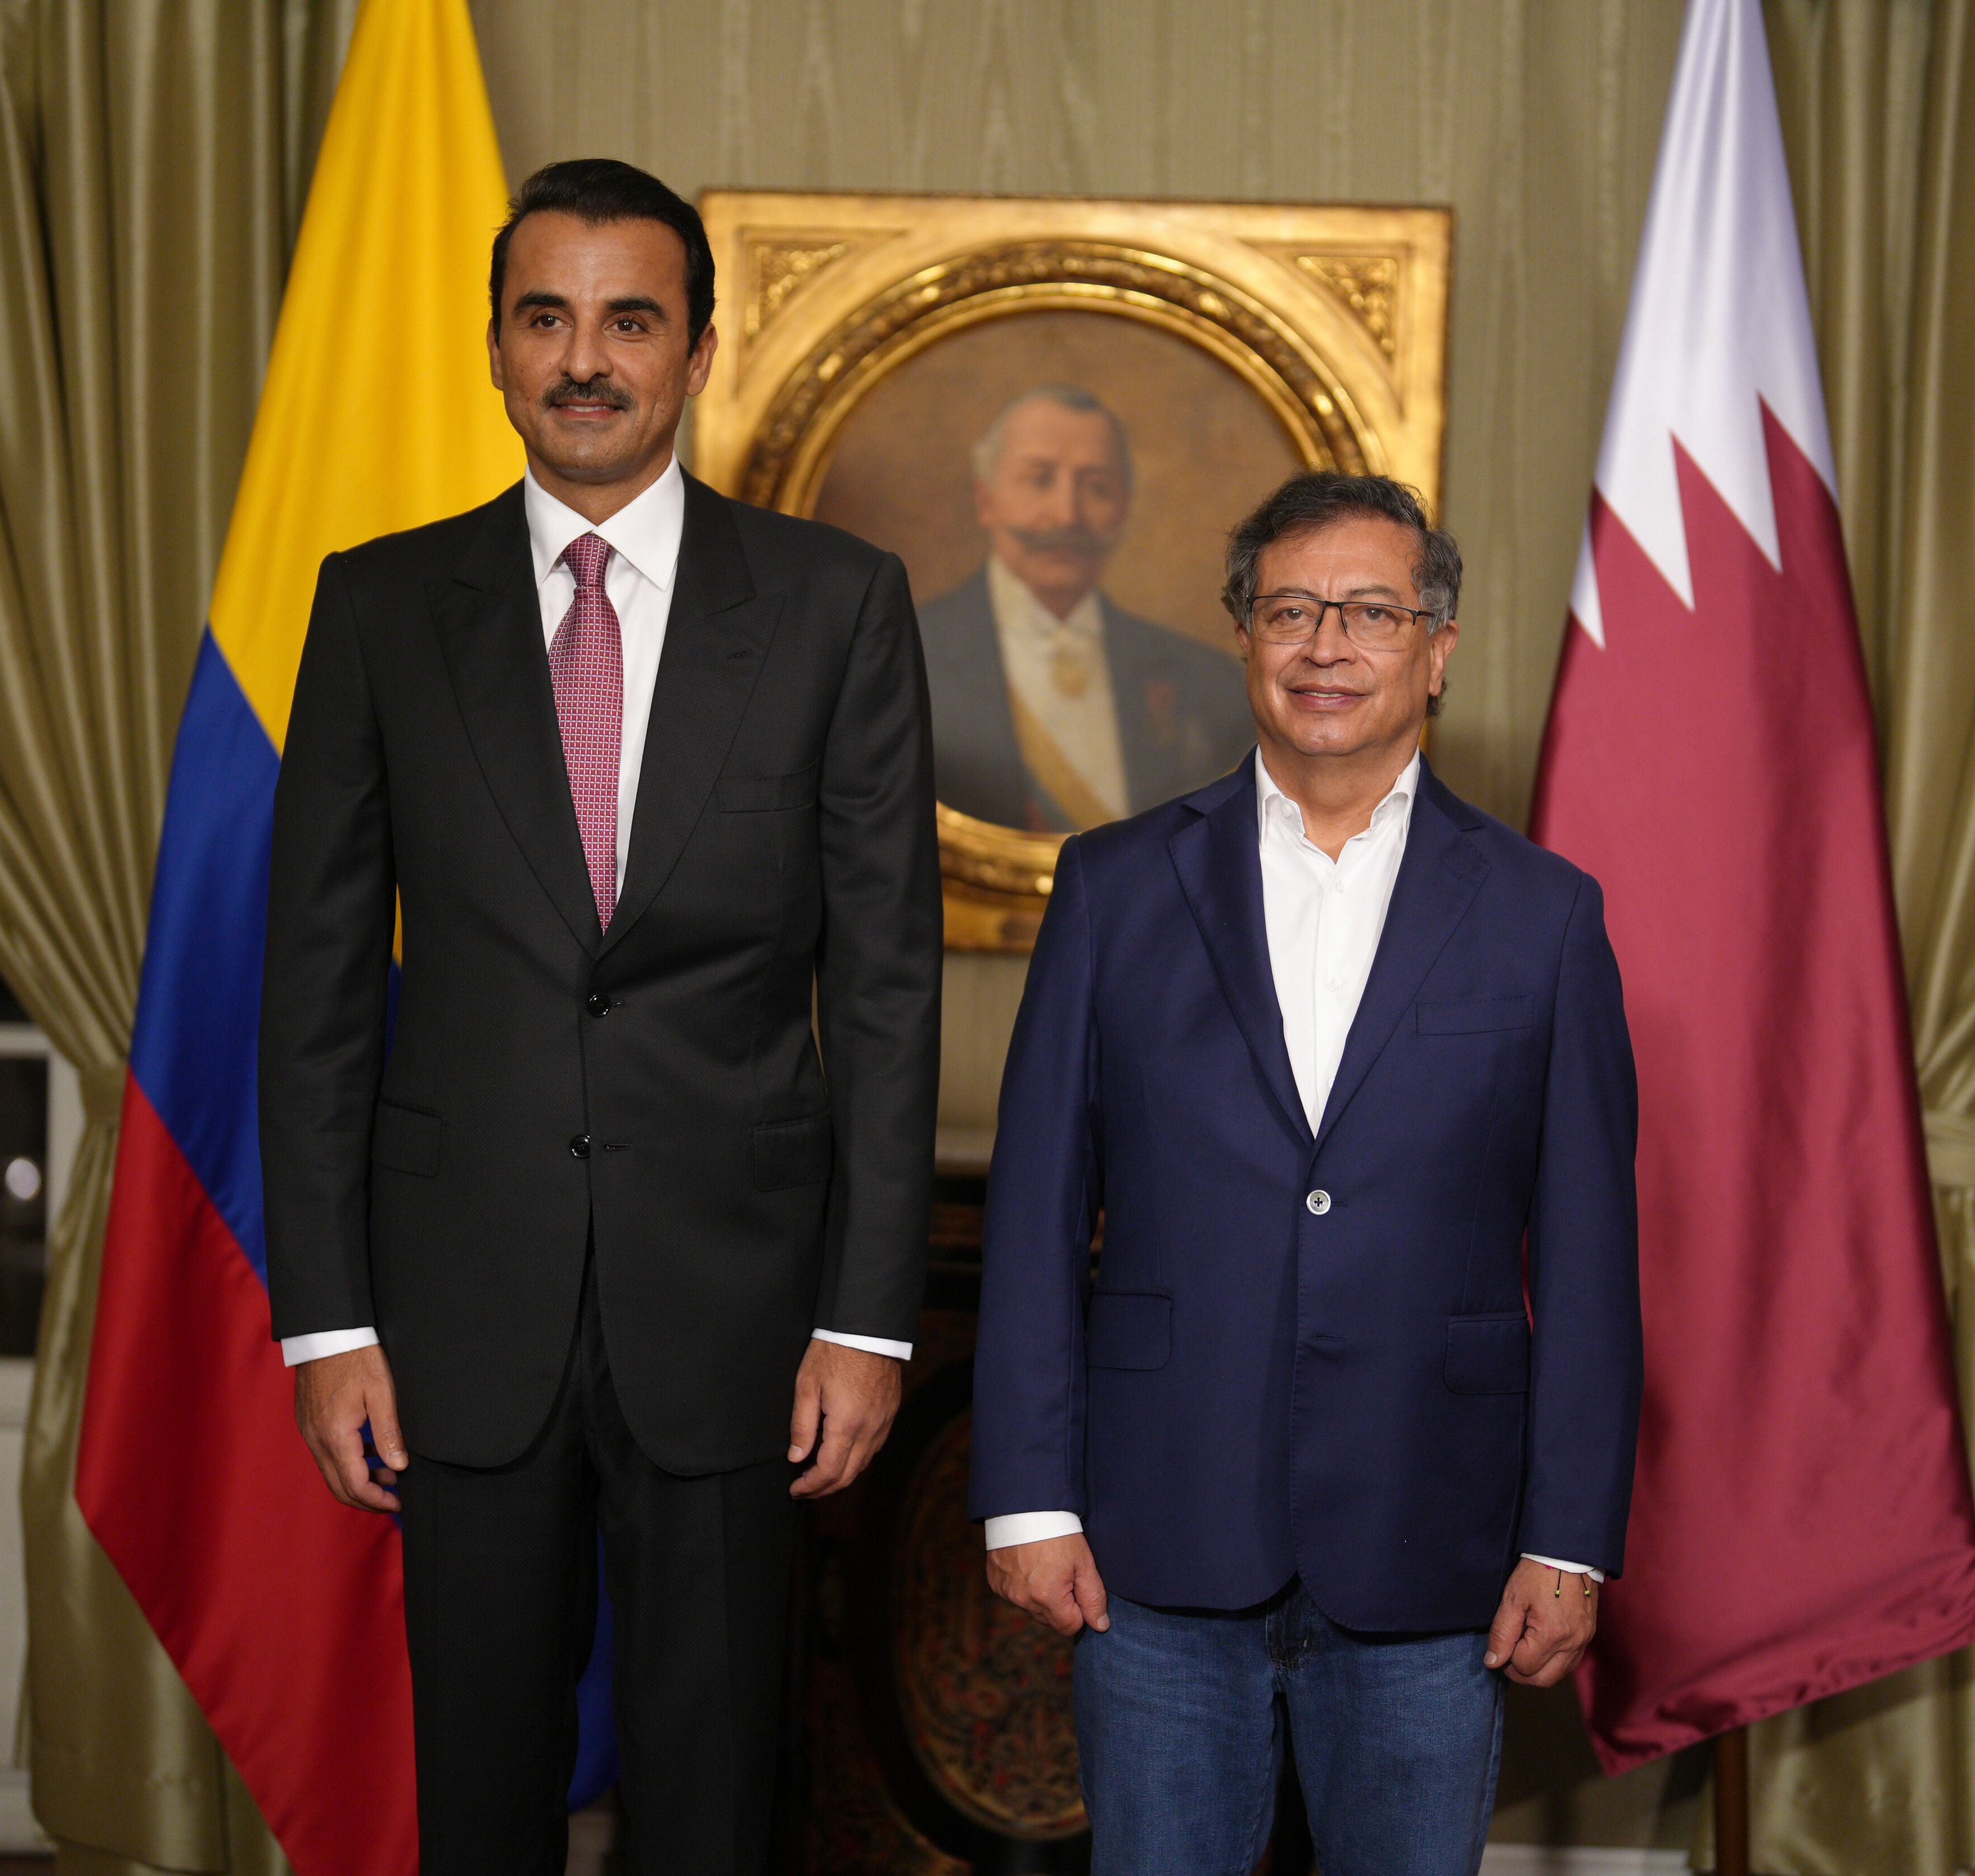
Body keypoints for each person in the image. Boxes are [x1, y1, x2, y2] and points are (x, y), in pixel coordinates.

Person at [259, 158, 941, 1875]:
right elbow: (318, 984)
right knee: (479, 1793)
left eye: (628, 320)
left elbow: (881, 985)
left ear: (696, 351)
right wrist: (325, 1321)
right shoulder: (377, 605)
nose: (585, 359)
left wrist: (866, 1322)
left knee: (711, 1803)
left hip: (735, 1310)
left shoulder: (835, 607)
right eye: (544, 318)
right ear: (492, 348)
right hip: (452, 1312)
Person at [968, 472, 1641, 1873]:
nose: (1326, 644)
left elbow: (1590, 1261)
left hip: (1433, 1548)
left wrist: (1569, 1540)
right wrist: (1027, 1499)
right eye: (1290, 609)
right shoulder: (1113, 887)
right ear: (1241, 634)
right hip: (1152, 1550)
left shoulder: (1544, 917)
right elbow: (1033, 1221)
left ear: (1435, 650)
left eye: (1369, 612)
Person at [916, 384, 1250, 830]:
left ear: (1124, 507)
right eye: (1039, 479)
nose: (1067, 515)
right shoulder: (907, 653)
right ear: (986, 500)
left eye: (1097, 487)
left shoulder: (1209, 680)